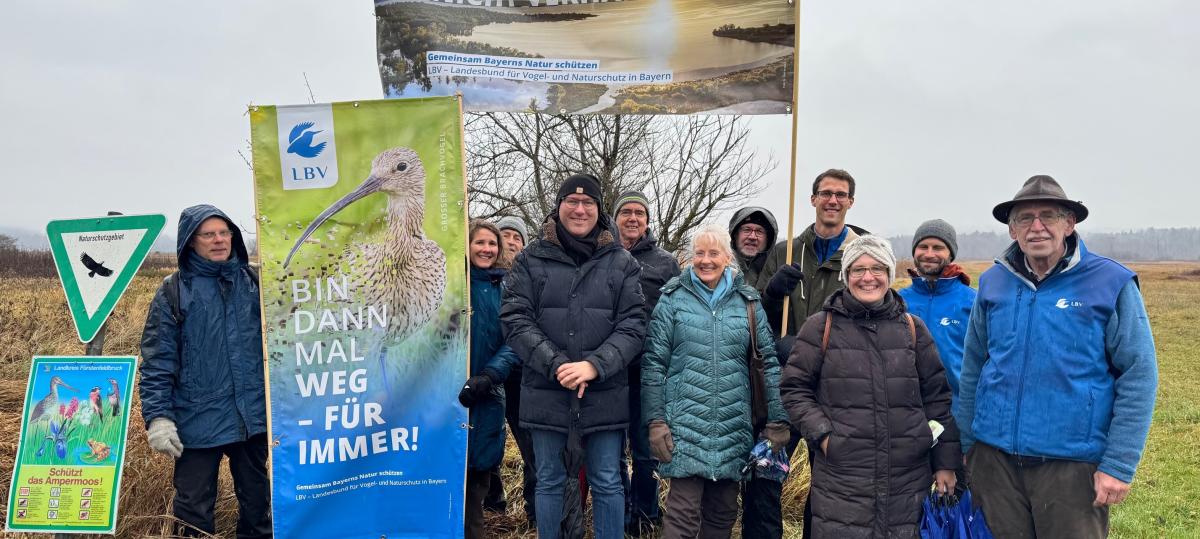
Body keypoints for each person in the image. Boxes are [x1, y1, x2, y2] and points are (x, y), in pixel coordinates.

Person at [957, 175, 1158, 538]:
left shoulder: (1110, 282)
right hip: (994, 463)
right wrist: (968, 444)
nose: (1037, 227)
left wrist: (1119, 464)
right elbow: (973, 366)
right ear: (1012, 230)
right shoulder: (992, 283)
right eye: (1024, 218)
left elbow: (1138, 374)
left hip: (1071, 467)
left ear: (1070, 223)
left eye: (1048, 215)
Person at [780, 235, 960, 537]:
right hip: (842, 481)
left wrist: (944, 462)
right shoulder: (820, 327)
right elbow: (794, 389)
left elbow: (938, 399)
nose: (868, 277)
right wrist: (824, 436)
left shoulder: (913, 329)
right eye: (858, 269)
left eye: (877, 268)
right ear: (846, 276)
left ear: (889, 275)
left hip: (907, 481)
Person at [501, 173, 647, 539]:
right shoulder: (531, 260)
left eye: (589, 203)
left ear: (599, 211)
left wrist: (594, 366)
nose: (580, 209)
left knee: (607, 480)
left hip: (605, 393)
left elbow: (634, 325)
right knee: (549, 479)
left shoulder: (622, 262)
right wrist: (556, 364)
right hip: (546, 390)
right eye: (572, 201)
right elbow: (515, 318)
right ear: (559, 206)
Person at [641, 224, 789, 539]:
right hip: (684, 426)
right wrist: (655, 421)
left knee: (722, 514)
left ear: (727, 258)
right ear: (689, 258)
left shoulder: (748, 303)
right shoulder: (672, 300)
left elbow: (769, 363)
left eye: (713, 253)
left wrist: (777, 420)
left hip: (734, 425)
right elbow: (653, 364)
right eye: (699, 253)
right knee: (682, 516)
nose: (705, 260)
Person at [139, 205, 271, 538]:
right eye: (208, 234)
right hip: (196, 421)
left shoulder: (256, 283)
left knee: (260, 508)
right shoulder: (174, 292)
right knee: (193, 512)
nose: (218, 240)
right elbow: (158, 360)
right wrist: (158, 417)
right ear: (191, 241)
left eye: (224, 232)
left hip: (251, 418)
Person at [612, 190, 681, 535]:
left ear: (648, 221)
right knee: (612, 447)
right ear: (615, 218)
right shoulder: (602, 255)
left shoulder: (665, 262)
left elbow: (677, 314)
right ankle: (621, 512)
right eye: (627, 212)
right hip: (609, 368)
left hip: (649, 368)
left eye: (640, 213)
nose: (633, 218)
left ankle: (647, 514)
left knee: (644, 446)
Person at [458, 219, 521, 539]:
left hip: (487, 391)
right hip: (447, 392)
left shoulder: (507, 287)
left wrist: (489, 375)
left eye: (491, 244)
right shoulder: (453, 283)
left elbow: (515, 340)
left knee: (479, 473)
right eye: (479, 243)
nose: (486, 249)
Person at [758, 168, 868, 335]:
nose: (833, 201)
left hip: (840, 359)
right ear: (813, 199)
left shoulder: (864, 256)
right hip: (789, 358)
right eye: (825, 193)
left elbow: (873, 317)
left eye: (840, 194)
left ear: (850, 202)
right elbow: (757, 315)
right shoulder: (783, 252)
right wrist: (772, 295)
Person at [484, 215, 536, 523]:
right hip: (483, 372)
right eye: (506, 235)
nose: (512, 242)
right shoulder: (475, 276)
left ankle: (534, 508)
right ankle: (492, 502)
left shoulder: (529, 277)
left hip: (519, 373)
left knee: (530, 443)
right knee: (487, 438)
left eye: (518, 237)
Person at [897, 219, 976, 399]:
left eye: (938, 247)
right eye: (923, 246)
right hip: (906, 410)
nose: (929, 253)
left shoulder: (973, 301)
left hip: (956, 411)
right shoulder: (898, 301)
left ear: (950, 254)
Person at [728, 207, 779, 287]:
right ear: (735, 235)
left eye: (759, 231)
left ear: (768, 239)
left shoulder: (777, 272)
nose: (752, 237)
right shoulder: (717, 268)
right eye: (747, 230)